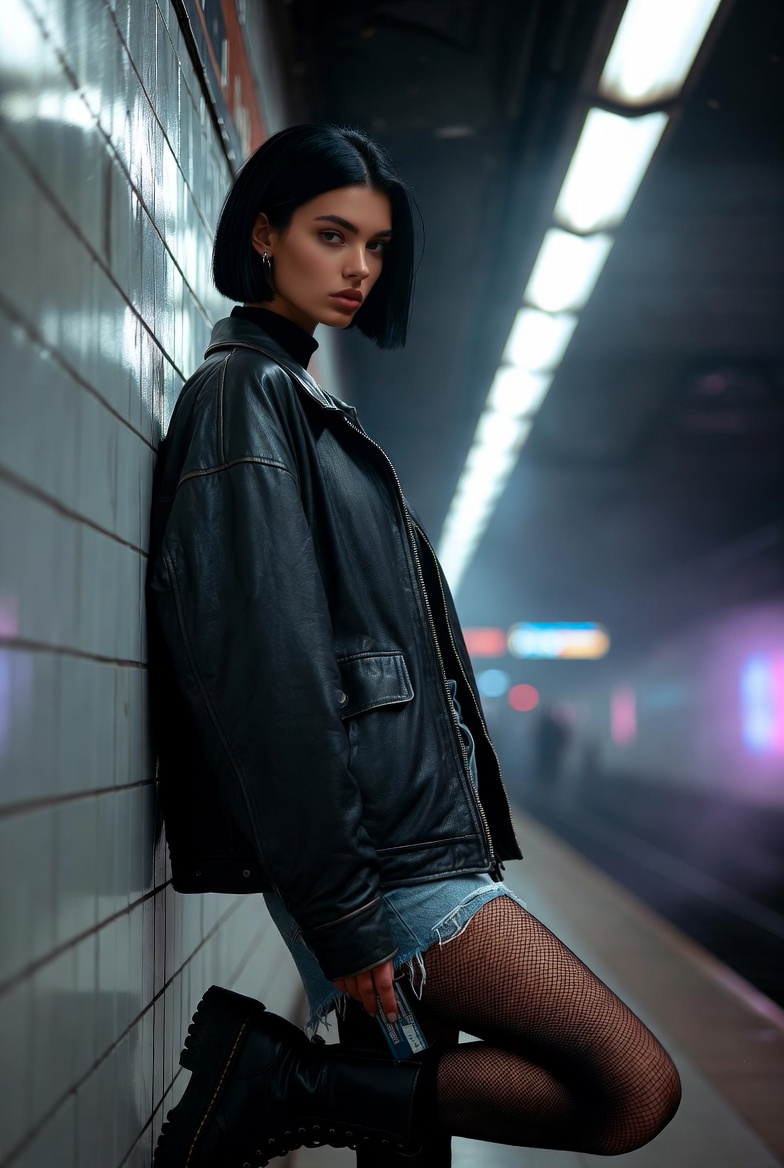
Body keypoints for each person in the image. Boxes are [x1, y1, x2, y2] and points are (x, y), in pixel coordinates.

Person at [147, 124, 681, 1168]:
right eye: (331, 234)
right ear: (263, 234)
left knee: (403, 1142)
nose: (358, 268)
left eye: (377, 246)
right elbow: (270, 675)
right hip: (387, 862)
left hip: (401, 844)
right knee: (631, 1088)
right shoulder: (246, 398)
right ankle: (281, 1084)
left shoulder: (300, 401)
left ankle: (298, 1090)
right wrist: (346, 911)